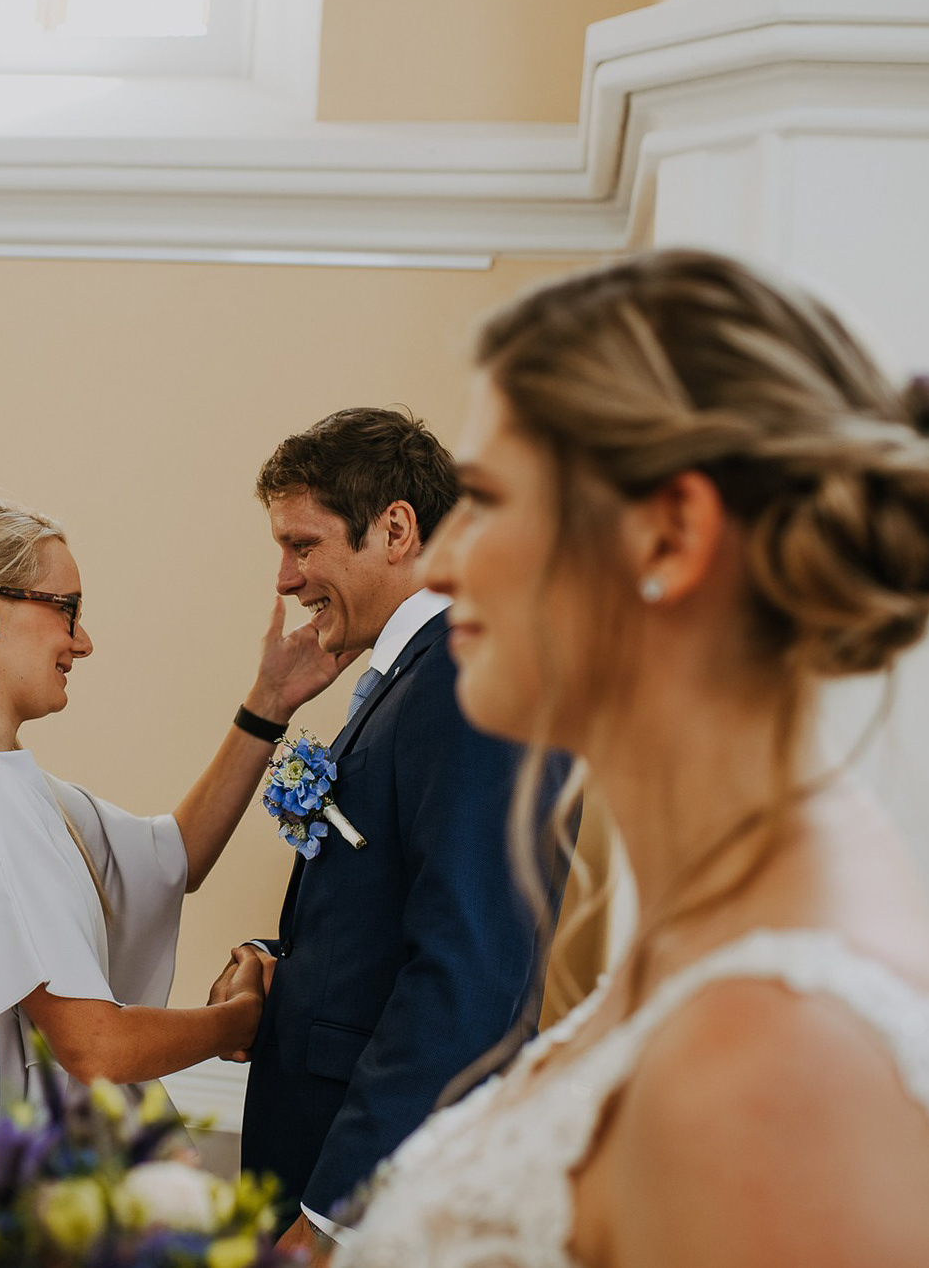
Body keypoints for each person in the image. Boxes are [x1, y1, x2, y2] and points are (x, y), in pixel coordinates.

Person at [339, 249, 929, 1266]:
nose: (440, 563)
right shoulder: (724, 904)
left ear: (669, 537)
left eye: (486, 498)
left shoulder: (781, 1071)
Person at [0, 497, 348, 1141]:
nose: (83, 642)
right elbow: (96, 1046)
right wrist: (242, 1020)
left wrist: (270, 702)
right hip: (31, 1173)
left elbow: (175, 856)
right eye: (67, 609)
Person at [225, 407, 574, 1259]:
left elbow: (469, 975)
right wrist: (283, 964)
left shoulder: (468, 676)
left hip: (378, 1199)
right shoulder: (414, 676)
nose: (285, 578)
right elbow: (389, 913)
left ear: (395, 529)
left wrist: (332, 1216)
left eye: (302, 545)